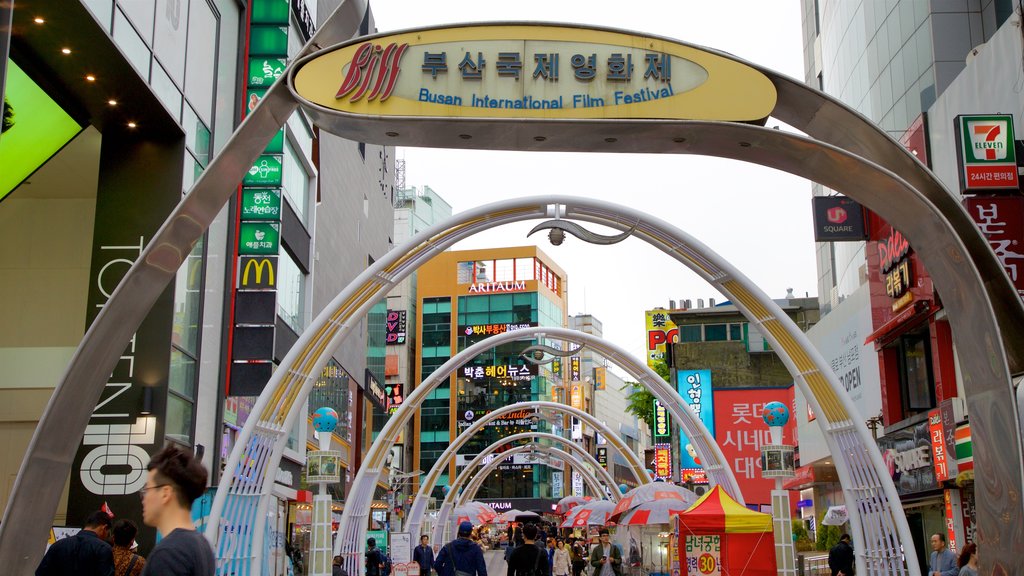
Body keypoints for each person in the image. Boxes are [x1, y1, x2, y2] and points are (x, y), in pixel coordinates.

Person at [139, 444, 215, 576]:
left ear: (165, 493)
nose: (143, 499)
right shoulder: (202, 545)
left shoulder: (168, 554)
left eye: (147, 490)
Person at [36, 509, 115, 576]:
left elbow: (41, 573)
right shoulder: (103, 548)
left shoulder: (58, 545)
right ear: (104, 528)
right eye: (108, 533)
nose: (106, 537)